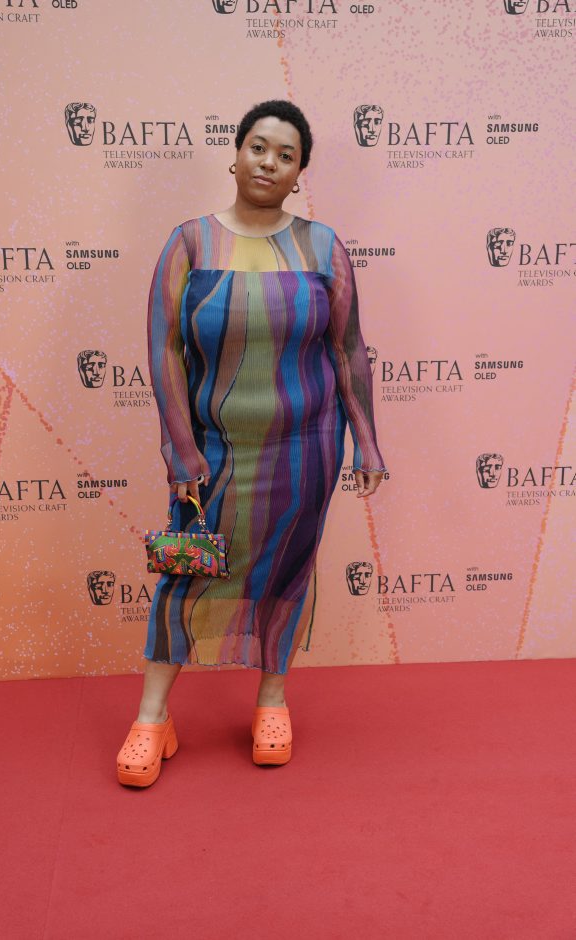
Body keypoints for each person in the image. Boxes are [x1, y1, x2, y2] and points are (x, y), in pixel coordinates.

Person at [116, 99, 386, 787]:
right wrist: (179, 449)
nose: (269, 162)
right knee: (187, 574)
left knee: (286, 571)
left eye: (286, 155)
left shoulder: (323, 247)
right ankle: (152, 717)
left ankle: (272, 702)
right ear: (235, 155)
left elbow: (349, 350)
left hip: (306, 447)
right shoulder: (191, 243)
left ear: (299, 174)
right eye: (258, 147)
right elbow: (165, 350)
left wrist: (367, 441)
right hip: (213, 450)